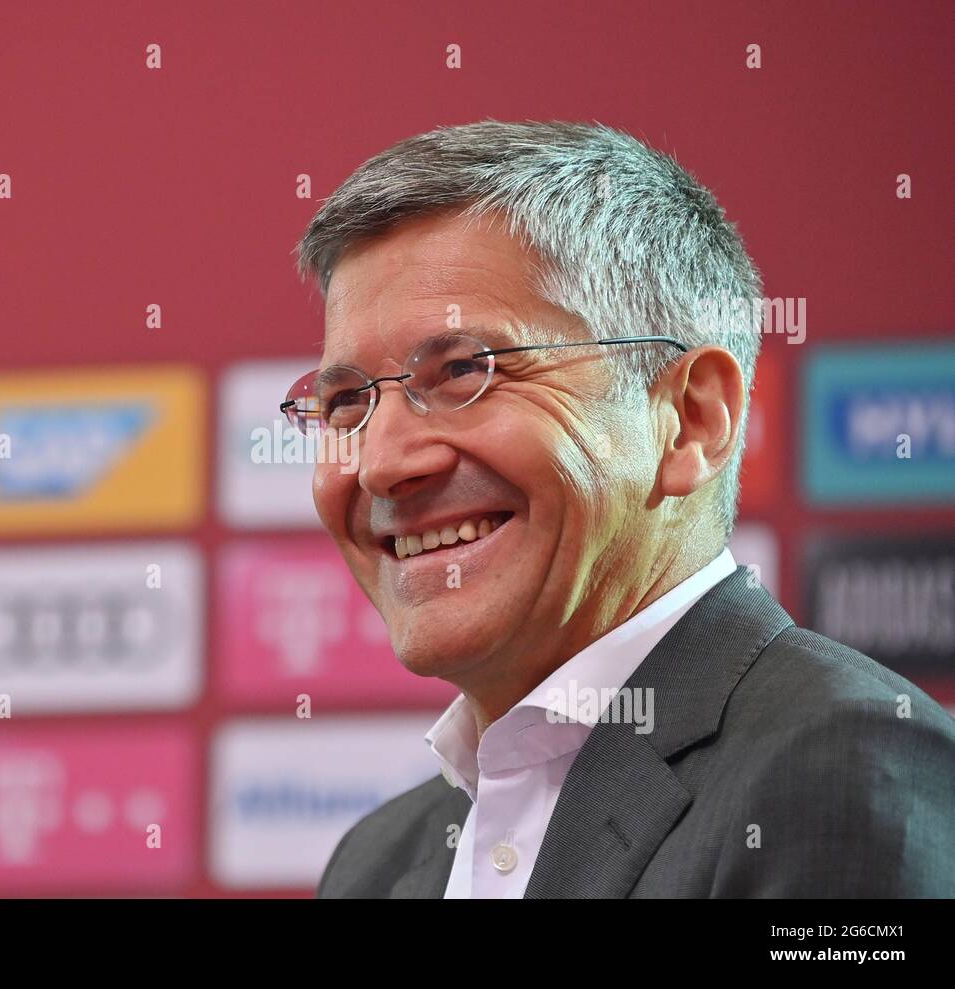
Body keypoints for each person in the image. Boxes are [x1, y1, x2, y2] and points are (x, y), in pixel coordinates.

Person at [284, 120, 955, 898]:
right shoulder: (374, 863)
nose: (380, 463)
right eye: (344, 402)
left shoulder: (844, 767)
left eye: (465, 368)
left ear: (691, 419)